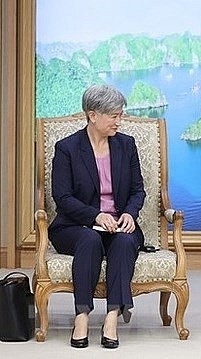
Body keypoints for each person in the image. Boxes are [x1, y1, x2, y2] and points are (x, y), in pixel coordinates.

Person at [49, 84, 146, 349]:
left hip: (117, 226)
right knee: (90, 239)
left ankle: (112, 316)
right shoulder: (67, 148)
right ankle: (82, 315)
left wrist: (129, 213)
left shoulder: (126, 145)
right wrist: (96, 216)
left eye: (120, 114)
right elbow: (63, 198)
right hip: (74, 226)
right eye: (114, 115)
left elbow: (138, 190)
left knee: (126, 242)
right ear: (93, 115)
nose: (119, 120)